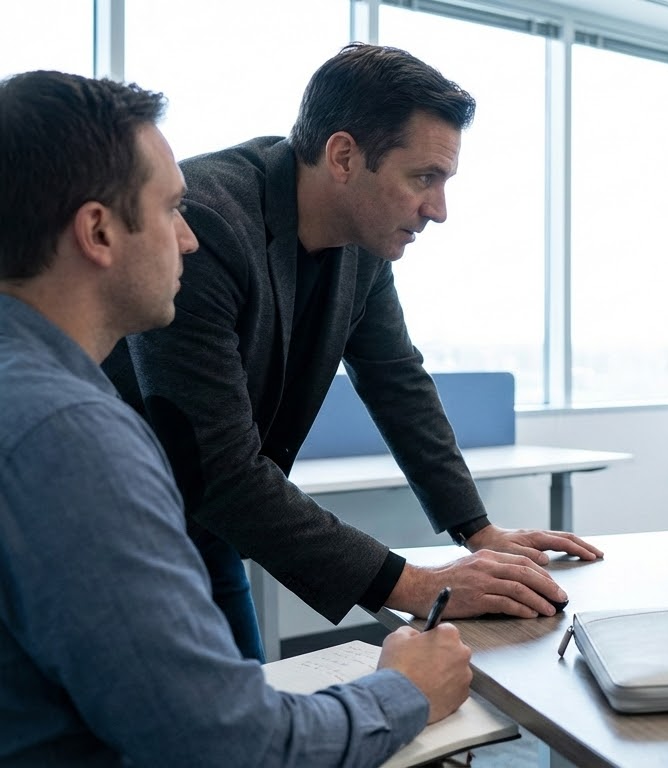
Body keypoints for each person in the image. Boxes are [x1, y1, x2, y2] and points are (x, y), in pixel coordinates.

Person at [0, 70, 472, 766]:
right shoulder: (71, 437)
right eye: (169, 211)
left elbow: (396, 376)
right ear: (98, 231)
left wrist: (478, 529)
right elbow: (231, 745)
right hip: (163, 504)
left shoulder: (31, 391)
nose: (185, 241)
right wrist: (404, 689)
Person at [103, 42, 603, 661]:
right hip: (113, 526)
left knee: (239, 709)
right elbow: (221, 468)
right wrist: (418, 585)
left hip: (204, 526)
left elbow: (397, 380)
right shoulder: (207, 227)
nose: (439, 210)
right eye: (424, 178)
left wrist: (479, 531)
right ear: (343, 156)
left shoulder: (361, 242)